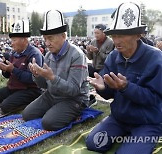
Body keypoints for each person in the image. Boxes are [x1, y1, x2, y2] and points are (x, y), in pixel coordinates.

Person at [85, 2, 162, 154]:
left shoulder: (156, 59)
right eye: (114, 35)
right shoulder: (113, 57)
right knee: (93, 143)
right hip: (119, 118)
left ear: (138, 35)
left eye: (122, 35)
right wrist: (102, 88)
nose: (117, 41)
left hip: (147, 121)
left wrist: (126, 88)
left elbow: (155, 99)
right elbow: (109, 93)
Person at [22, 10, 89, 131]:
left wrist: (52, 77)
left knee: (48, 123)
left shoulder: (77, 55)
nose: (47, 43)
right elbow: (44, 86)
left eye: (50, 38)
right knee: (27, 115)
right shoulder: (48, 55)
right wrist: (37, 75)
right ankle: (56, 109)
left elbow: (74, 90)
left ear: (63, 36)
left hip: (73, 99)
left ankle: (72, 110)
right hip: (52, 95)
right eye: (45, 39)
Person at [0, 20, 44, 114]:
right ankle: (15, 100)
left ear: (24, 40)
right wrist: (5, 69)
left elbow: (32, 79)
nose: (11, 43)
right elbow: (8, 75)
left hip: (29, 90)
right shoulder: (14, 53)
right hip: (13, 87)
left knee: (5, 106)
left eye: (14, 40)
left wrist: (13, 69)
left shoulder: (34, 54)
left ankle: (28, 105)